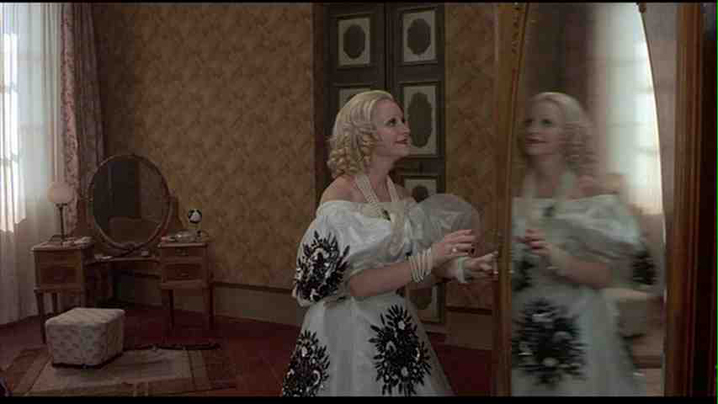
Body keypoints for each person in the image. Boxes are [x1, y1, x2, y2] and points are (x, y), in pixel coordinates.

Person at [281, 90, 496, 396]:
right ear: (365, 135)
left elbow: (417, 271)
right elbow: (358, 286)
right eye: (392, 122)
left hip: (393, 321)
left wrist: (461, 267)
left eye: (403, 120)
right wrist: (431, 256)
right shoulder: (341, 195)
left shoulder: (401, 196)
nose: (406, 129)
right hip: (348, 330)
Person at [510, 92, 647, 396]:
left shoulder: (586, 192)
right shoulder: (513, 190)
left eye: (547, 123)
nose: (534, 129)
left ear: (569, 134)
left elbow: (603, 277)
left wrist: (556, 256)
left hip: (577, 325)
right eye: (530, 121)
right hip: (523, 324)